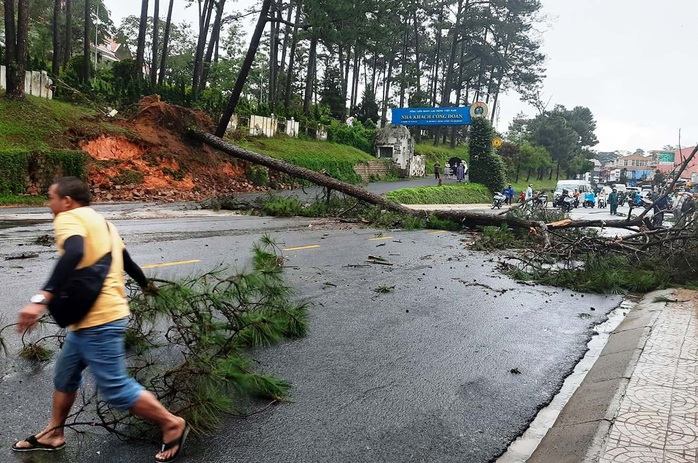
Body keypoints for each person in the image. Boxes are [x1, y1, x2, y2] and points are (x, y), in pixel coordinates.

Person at [13, 177, 189, 462]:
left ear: (67, 201)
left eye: (51, 197)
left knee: (116, 389)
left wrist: (42, 297)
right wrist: (146, 286)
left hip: (99, 320)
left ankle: (171, 423)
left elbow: (75, 251)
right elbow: (127, 260)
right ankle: (54, 433)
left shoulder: (67, 218)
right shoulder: (104, 223)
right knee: (65, 375)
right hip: (92, 319)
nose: (49, 203)